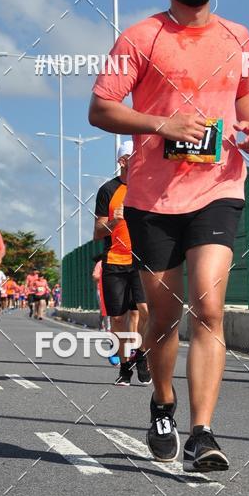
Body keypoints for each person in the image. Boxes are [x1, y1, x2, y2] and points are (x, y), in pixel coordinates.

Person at [89, 0, 249, 472]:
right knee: (163, 318)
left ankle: (203, 433)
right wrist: (163, 123)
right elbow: (100, 109)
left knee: (209, 307)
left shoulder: (238, 37)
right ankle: (162, 402)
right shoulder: (140, 38)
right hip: (151, 196)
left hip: (218, 188)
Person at [93, 141, 150, 386]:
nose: (138, 159)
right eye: (132, 155)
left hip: (142, 261)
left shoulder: (148, 186)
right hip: (115, 261)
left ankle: (142, 356)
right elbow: (97, 232)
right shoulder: (108, 190)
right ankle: (125, 367)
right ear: (122, 161)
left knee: (146, 312)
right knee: (118, 319)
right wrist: (115, 222)